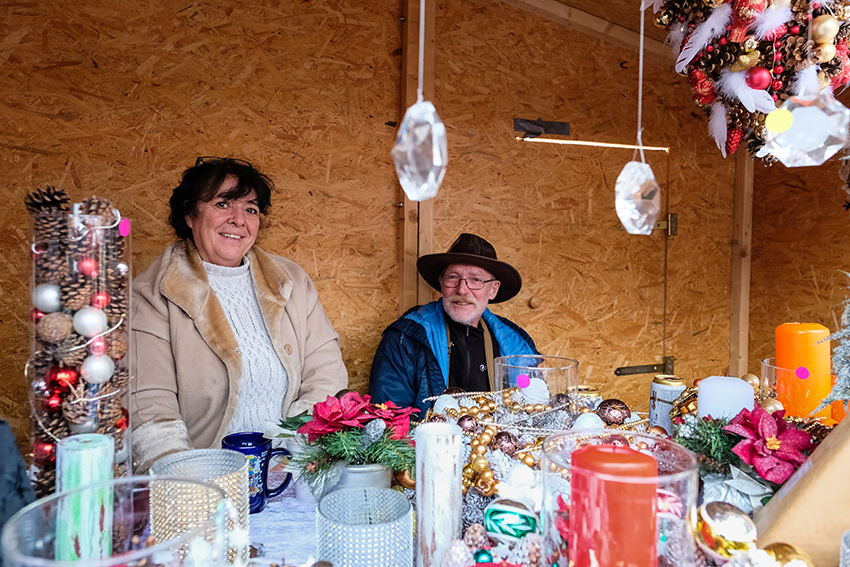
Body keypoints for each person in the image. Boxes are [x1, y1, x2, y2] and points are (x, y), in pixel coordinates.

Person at [131, 157, 348, 473]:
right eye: (223, 204)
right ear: (190, 215)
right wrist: (188, 484)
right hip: (203, 481)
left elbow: (325, 370)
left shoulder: (290, 280)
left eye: (251, 209)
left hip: (288, 471)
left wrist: (291, 451)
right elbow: (150, 408)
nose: (238, 219)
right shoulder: (154, 293)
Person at [368, 233, 539, 412]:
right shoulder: (405, 339)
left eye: (476, 279)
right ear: (441, 283)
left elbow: (536, 408)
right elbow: (389, 419)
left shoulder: (516, 346)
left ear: (493, 289)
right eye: (452, 277)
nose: (462, 289)